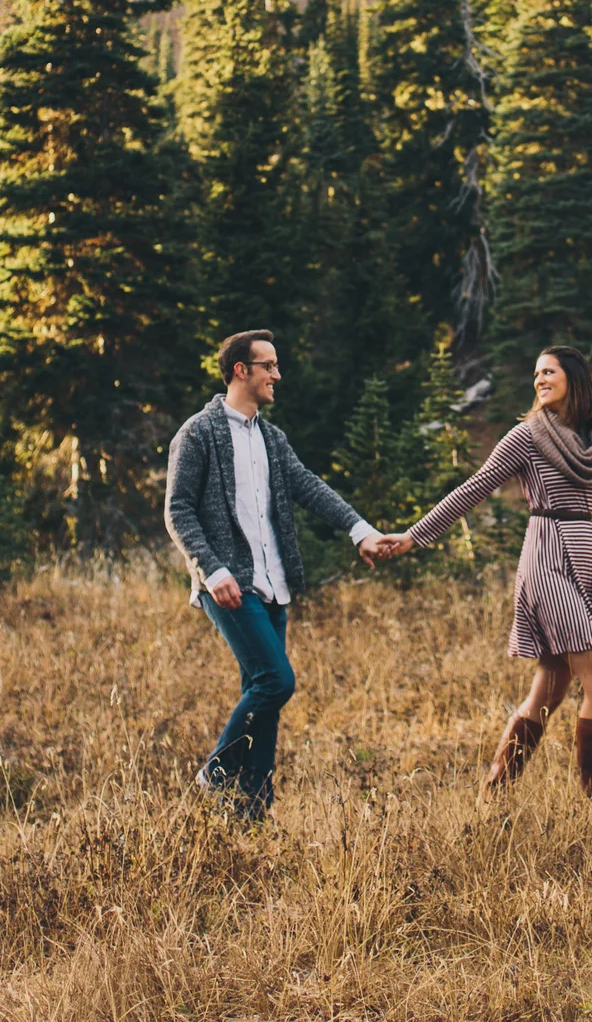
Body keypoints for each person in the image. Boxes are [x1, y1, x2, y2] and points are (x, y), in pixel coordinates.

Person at [164, 328, 402, 818]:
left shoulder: (272, 438)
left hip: (274, 584)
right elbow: (178, 510)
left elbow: (309, 487)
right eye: (268, 365)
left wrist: (361, 531)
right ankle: (218, 772)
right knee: (276, 682)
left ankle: (252, 811)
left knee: (262, 693)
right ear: (240, 371)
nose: (278, 374)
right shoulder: (198, 433)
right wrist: (211, 570)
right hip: (228, 584)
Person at [383, 345, 592, 799]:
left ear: (575, 377)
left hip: (586, 562)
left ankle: (495, 792)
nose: (539, 380)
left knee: (549, 691)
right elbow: (474, 488)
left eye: (548, 371)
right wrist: (415, 535)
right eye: (536, 373)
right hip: (547, 563)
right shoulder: (527, 436)